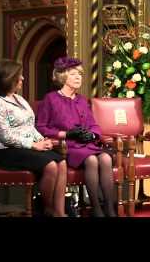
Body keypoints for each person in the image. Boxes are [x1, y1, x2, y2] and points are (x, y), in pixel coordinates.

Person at [0, 59, 67, 217]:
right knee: (50, 165)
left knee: (61, 162)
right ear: (9, 78)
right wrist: (33, 145)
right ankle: (48, 209)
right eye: (19, 76)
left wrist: (42, 140)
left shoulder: (19, 99)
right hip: (4, 151)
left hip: (25, 147)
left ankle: (60, 212)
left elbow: (30, 126)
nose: (22, 78)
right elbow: (6, 136)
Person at [36, 57, 116, 217]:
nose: (79, 77)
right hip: (68, 146)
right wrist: (66, 134)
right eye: (73, 74)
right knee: (92, 160)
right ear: (62, 77)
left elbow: (94, 125)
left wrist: (92, 134)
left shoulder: (81, 100)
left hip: (87, 144)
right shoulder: (51, 99)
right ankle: (96, 209)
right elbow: (41, 127)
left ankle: (109, 207)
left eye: (80, 74)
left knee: (106, 159)